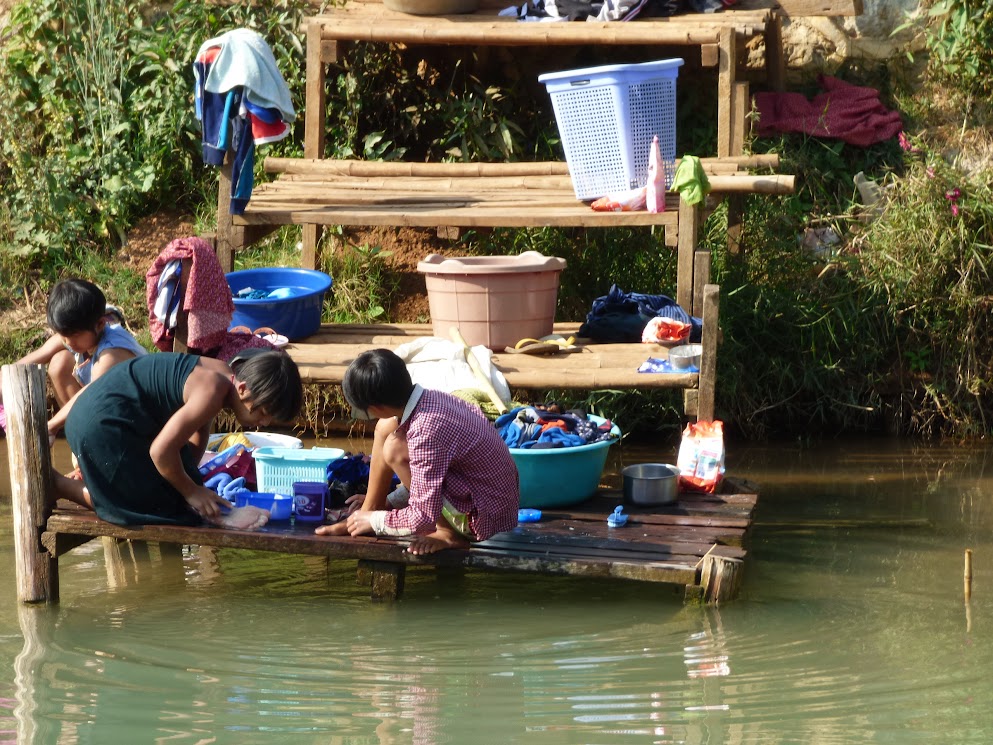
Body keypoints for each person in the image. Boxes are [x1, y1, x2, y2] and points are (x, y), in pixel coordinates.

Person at [48, 349, 303, 531]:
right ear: (244, 389)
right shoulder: (212, 390)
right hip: (104, 426)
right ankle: (58, 485)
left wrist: (189, 481)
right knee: (159, 509)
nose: (265, 423)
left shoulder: (220, 374)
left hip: (110, 418)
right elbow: (160, 452)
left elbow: (199, 433)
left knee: (177, 492)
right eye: (263, 413)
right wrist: (191, 492)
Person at [315, 348, 519, 555]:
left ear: (375, 407)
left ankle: (448, 533)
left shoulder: (424, 431)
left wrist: (375, 522)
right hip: (489, 500)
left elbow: (422, 516)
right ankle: (371, 506)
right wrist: (387, 503)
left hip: (483, 519)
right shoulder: (431, 398)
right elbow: (432, 477)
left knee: (394, 449)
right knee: (386, 428)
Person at [0, 278, 147, 410]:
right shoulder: (78, 334)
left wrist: (52, 426)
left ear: (100, 324)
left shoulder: (111, 353)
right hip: (103, 405)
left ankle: (83, 431)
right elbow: (38, 356)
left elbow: (92, 395)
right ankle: (77, 430)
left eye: (75, 335)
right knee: (59, 362)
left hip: (140, 413)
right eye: (64, 336)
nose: (69, 342)